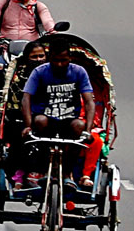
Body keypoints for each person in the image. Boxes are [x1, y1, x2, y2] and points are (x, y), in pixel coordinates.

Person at [21, 41, 97, 183]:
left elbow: (89, 102)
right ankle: (44, 170)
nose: (60, 64)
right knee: (40, 121)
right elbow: (26, 99)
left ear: (70, 59)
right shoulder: (39, 72)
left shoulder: (78, 72)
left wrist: (88, 130)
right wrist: (28, 126)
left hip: (68, 119)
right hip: (45, 119)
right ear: (50, 58)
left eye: (64, 60)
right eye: (56, 60)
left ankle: (67, 173)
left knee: (79, 126)